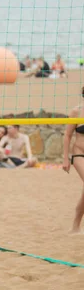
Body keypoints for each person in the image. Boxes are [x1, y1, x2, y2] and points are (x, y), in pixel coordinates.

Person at [62, 86, 84, 233]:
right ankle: (76, 224)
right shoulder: (77, 111)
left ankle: (76, 225)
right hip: (79, 153)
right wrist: (65, 158)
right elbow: (67, 135)